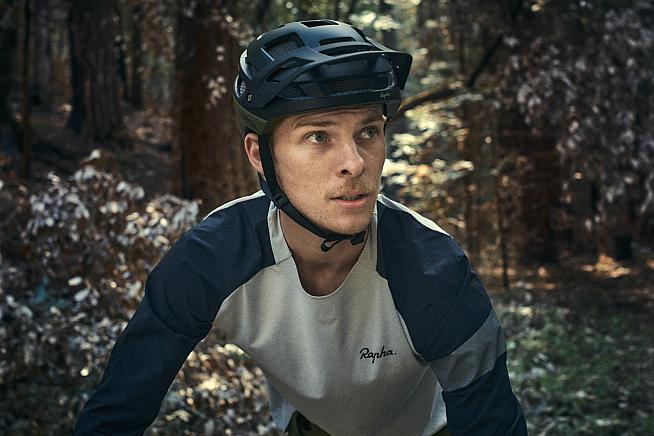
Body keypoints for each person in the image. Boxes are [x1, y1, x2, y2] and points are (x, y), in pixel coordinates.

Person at [74, 19, 528, 435]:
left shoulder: (433, 269)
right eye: (318, 136)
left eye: (368, 132)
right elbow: (117, 411)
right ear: (259, 155)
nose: (354, 163)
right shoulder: (211, 259)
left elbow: (493, 424)